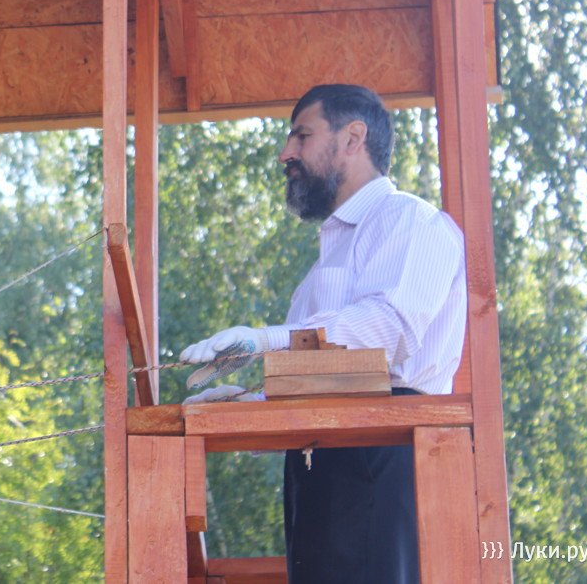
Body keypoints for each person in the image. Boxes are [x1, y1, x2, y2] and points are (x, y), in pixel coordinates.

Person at [179, 83, 466, 584]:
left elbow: (386, 332)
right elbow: (325, 378)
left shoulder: (411, 220)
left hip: (381, 453)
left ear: (353, 138)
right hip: (321, 469)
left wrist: (267, 340)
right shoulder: (323, 266)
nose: (285, 153)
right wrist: (251, 407)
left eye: (302, 135)